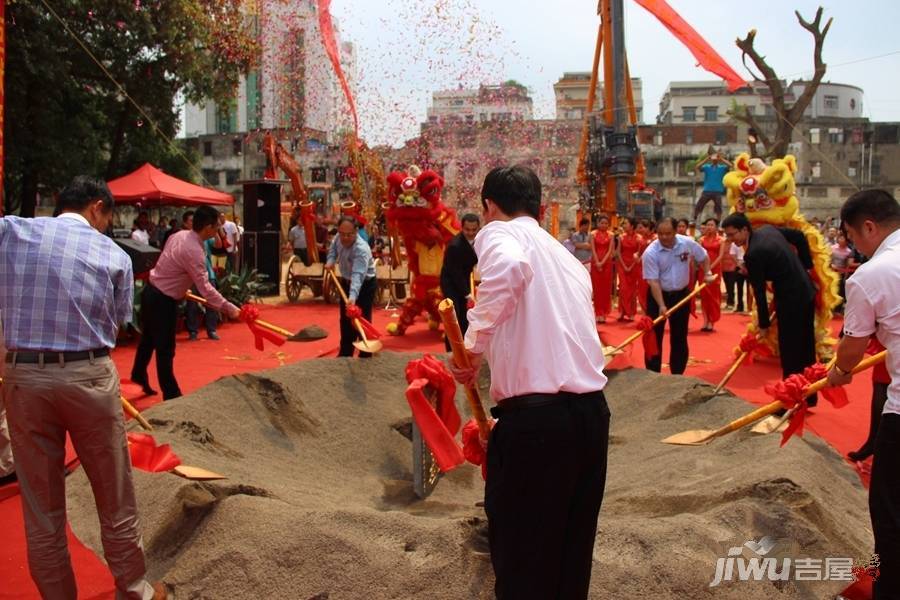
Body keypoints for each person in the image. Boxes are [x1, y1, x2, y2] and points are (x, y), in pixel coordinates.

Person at [449, 165, 610, 599]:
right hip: (591, 416)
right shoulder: (565, 256)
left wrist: (472, 350)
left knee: (523, 558)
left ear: (489, 206)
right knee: (570, 556)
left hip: (539, 426)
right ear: (539, 206)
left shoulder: (500, 234)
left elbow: (509, 269)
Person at [0, 177, 164, 599]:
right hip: (87, 375)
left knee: (41, 508)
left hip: (23, 377)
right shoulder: (113, 254)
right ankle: (134, 591)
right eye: (108, 218)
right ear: (97, 208)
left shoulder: (13, 232)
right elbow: (118, 322)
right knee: (114, 496)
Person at [825, 189, 900, 600]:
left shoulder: (870, 275)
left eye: (854, 237)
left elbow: (852, 349)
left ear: (868, 226)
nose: (854, 246)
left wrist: (838, 371)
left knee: (889, 509)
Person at [130, 205, 241, 400]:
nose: (218, 231)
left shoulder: (179, 235)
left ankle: (138, 373)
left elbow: (170, 263)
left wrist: (180, 286)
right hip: (162, 300)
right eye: (216, 227)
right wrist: (228, 307)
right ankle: (171, 395)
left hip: (152, 292)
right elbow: (205, 288)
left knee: (148, 339)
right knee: (165, 348)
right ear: (207, 227)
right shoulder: (194, 250)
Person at [722, 212, 818, 405]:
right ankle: (809, 395)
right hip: (807, 290)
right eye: (728, 236)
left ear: (744, 229)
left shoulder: (753, 254)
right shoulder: (768, 230)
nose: (731, 240)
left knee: (791, 351)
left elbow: (758, 292)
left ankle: (791, 398)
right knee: (806, 348)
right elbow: (799, 237)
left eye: (733, 235)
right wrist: (806, 266)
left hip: (791, 299)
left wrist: (763, 324)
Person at [642, 218, 714, 375]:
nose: (664, 237)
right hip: (657, 296)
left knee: (679, 336)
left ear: (676, 231)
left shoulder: (687, 243)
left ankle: (677, 374)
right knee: (654, 336)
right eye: (660, 233)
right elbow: (653, 281)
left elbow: (703, 256)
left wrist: (707, 273)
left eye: (668, 233)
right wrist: (661, 305)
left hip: (681, 295)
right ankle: (652, 374)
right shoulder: (650, 252)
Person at [325, 216, 377, 358]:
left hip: (365, 285)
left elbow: (358, 275)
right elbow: (333, 251)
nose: (345, 238)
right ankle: (345, 353)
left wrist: (352, 298)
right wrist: (330, 261)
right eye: (342, 234)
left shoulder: (361, 249)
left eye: (349, 235)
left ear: (356, 231)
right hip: (346, 282)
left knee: (362, 318)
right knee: (346, 320)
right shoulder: (338, 237)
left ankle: (365, 354)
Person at [440, 213, 480, 349]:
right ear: (462, 228)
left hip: (464, 280)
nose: (471, 233)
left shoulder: (479, 240)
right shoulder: (455, 246)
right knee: (454, 318)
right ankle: (451, 350)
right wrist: (467, 293)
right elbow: (454, 273)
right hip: (451, 283)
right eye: (467, 230)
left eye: (474, 230)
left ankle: (464, 348)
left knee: (465, 317)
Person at [185, 235, 221, 341]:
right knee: (192, 304)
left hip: (208, 275)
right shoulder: (185, 238)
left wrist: (217, 229)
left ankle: (212, 330)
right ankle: (192, 331)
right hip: (191, 276)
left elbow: (218, 245)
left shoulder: (206, 236)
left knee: (212, 303)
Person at [698, 217, 727, 332]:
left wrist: (710, 267)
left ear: (716, 227)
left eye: (712, 225)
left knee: (713, 295)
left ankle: (712, 321)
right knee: (704, 295)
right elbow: (699, 254)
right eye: (708, 225)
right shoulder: (701, 240)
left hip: (714, 271)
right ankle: (705, 321)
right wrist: (704, 267)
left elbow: (720, 256)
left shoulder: (721, 240)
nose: (709, 227)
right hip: (703, 270)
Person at [692, 153, 733, 221]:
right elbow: (697, 167)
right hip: (707, 190)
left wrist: (721, 159)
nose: (715, 160)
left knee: (718, 207)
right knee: (699, 204)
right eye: (713, 159)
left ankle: (718, 221)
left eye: (716, 159)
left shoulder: (722, 168)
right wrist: (706, 159)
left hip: (717, 191)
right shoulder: (707, 167)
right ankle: (694, 218)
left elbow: (731, 165)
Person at [616, 217, 643, 322]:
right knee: (623, 289)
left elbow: (639, 253)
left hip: (634, 265)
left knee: (632, 290)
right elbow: (618, 252)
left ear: (632, 226)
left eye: (626, 223)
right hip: (622, 265)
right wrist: (624, 265)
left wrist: (631, 266)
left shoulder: (639, 238)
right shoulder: (621, 237)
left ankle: (631, 313)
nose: (624, 225)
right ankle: (622, 312)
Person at [590, 215, 615, 323]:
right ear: (598, 223)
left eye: (606, 223)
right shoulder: (593, 234)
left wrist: (602, 262)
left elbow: (610, 250)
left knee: (605, 289)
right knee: (596, 288)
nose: (603, 225)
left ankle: (604, 313)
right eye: (602, 223)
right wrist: (597, 262)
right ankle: (597, 312)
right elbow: (593, 249)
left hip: (607, 263)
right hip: (595, 262)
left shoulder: (611, 235)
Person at [830, 232, 855, 313]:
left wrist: (845, 274)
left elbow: (848, 265)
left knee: (839, 291)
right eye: (840, 238)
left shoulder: (849, 251)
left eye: (843, 238)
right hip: (831, 272)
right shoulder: (832, 248)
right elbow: (826, 258)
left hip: (842, 273)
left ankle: (837, 309)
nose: (841, 240)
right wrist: (831, 265)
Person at [723, 240, 747, 313]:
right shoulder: (735, 243)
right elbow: (733, 255)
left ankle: (751, 307)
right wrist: (739, 265)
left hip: (751, 265)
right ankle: (740, 306)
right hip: (739, 265)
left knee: (752, 288)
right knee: (739, 287)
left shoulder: (751, 242)